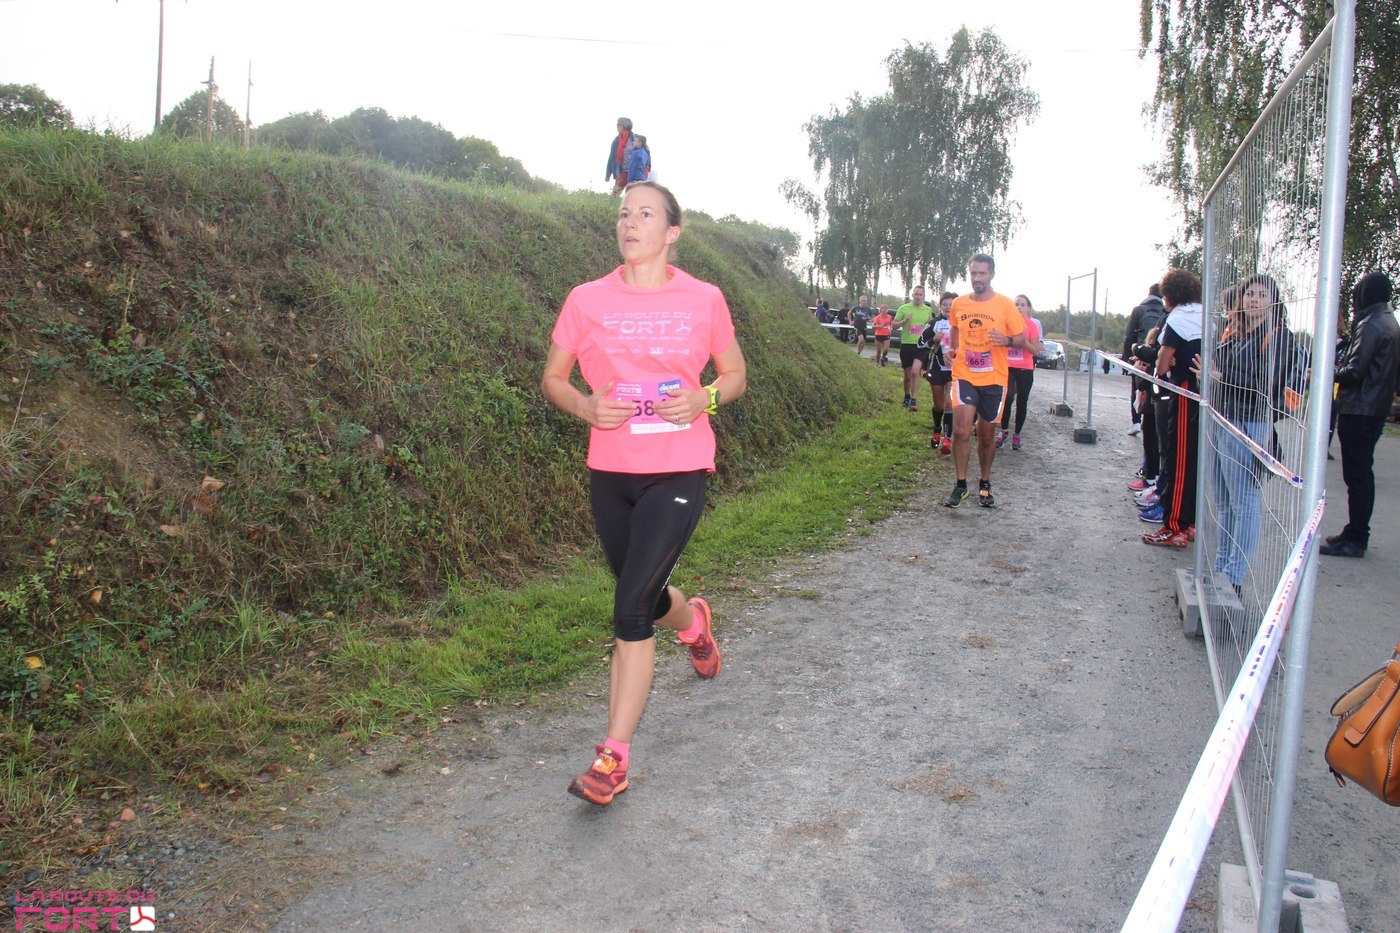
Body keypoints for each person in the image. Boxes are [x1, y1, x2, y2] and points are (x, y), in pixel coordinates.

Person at [541, 180, 748, 805]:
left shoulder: (704, 298)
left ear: (672, 231)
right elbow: (553, 378)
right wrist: (585, 406)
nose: (630, 223)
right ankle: (694, 622)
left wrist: (703, 398)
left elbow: (734, 374)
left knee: (630, 608)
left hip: (679, 468)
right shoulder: (587, 299)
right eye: (624, 213)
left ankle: (612, 760)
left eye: (645, 214)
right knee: (646, 596)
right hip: (611, 470)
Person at [1199, 275, 1306, 586]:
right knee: (1224, 501)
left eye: (1262, 294)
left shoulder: (1278, 336)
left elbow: (1266, 384)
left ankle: (1234, 577)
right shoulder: (1236, 333)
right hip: (1224, 419)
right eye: (1250, 293)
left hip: (1250, 425)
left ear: (1274, 301)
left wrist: (1223, 376)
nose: (1254, 299)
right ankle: (1222, 568)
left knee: (1244, 502)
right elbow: (1220, 368)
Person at [943, 254, 1030, 508]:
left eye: (982, 273)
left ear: (991, 274)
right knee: (961, 430)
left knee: (986, 435)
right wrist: (953, 349)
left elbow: (1022, 339)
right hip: (964, 374)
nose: (977, 278)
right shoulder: (959, 303)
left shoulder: (1004, 305)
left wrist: (1006, 341)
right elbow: (955, 327)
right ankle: (961, 485)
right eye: (973, 273)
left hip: (994, 378)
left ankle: (984, 482)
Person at [1321, 271, 1398, 558]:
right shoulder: (1388, 321)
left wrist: (1326, 372)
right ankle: (1355, 532)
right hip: (1374, 409)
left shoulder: (1371, 324)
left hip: (1360, 409)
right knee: (1362, 473)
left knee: (1357, 476)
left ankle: (1355, 538)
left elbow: (1354, 371)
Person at [1142, 269, 1203, 548]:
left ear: (1169, 295)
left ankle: (1174, 526)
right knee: (1193, 462)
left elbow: (1163, 361)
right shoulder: (1206, 315)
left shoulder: (1178, 318)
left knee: (1178, 461)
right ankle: (1189, 522)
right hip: (1203, 390)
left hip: (1184, 391)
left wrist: (1161, 366)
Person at [996, 294, 1045, 451]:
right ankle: (1004, 431)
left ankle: (1017, 434)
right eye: (1016, 304)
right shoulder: (1006, 324)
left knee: (1022, 401)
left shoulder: (1032, 325)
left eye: (1023, 305)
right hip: (1008, 366)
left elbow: (1036, 351)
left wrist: (1022, 342)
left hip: (1025, 368)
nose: (1019, 307)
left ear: (1028, 308)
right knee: (1008, 397)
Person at [893, 285, 935, 411]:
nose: (918, 297)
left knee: (915, 372)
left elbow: (931, 326)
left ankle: (914, 399)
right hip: (907, 344)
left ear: (924, 296)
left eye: (920, 294)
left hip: (920, 345)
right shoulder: (904, 308)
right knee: (908, 376)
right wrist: (904, 321)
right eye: (916, 294)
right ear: (912, 295)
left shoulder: (928, 310)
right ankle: (907, 396)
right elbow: (893, 325)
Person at [923, 291, 956, 452]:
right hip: (936, 368)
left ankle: (947, 439)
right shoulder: (934, 323)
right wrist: (933, 339)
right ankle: (937, 429)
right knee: (938, 405)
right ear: (940, 306)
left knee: (949, 402)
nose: (948, 307)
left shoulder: (962, 323)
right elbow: (921, 343)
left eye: (951, 305)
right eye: (945, 305)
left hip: (954, 369)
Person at [605, 117, 635, 195]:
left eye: (618, 124)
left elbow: (645, 152)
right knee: (615, 194)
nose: (617, 126)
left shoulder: (635, 138)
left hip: (634, 171)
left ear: (625, 125)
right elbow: (611, 158)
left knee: (633, 195)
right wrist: (608, 175)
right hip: (621, 171)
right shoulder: (616, 141)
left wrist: (646, 167)